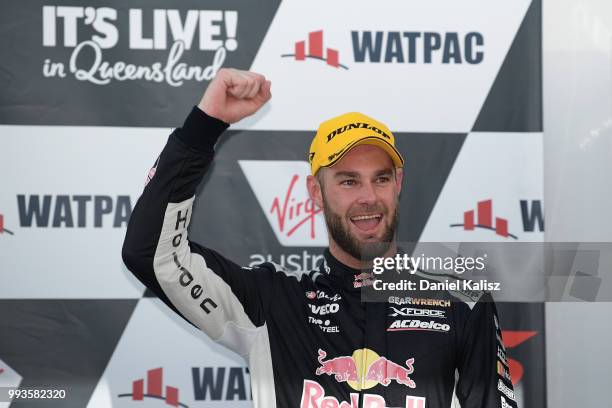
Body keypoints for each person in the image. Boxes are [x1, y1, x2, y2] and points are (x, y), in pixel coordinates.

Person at [122, 68, 518, 408]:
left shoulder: (461, 302)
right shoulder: (271, 305)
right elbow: (150, 253)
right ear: (316, 192)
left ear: (398, 183)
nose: (368, 197)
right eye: (348, 181)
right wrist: (204, 126)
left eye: (380, 178)